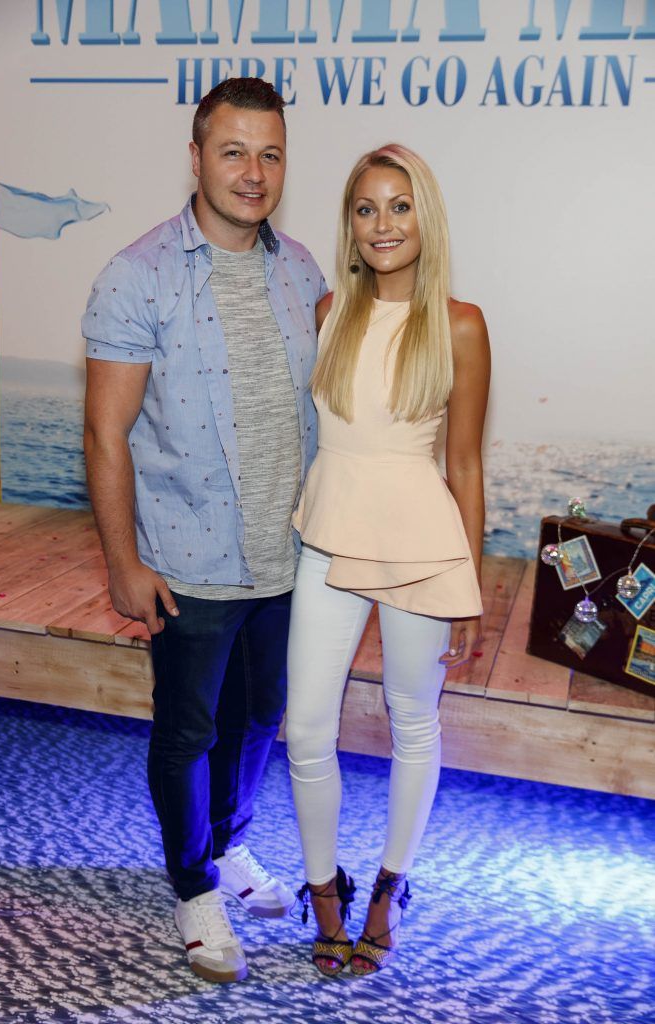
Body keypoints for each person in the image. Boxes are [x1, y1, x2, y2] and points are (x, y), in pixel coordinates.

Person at [82, 77, 327, 984]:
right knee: (186, 731)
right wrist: (121, 561)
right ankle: (192, 885)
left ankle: (227, 848)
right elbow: (105, 432)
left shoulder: (301, 270)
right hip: (186, 560)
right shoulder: (136, 274)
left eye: (270, 153)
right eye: (233, 151)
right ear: (195, 157)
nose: (252, 172)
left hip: (288, 558)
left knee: (261, 715)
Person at [286, 144, 490, 976]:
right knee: (303, 725)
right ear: (350, 224)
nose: (382, 224)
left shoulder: (462, 323)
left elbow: (466, 465)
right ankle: (322, 890)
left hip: (420, 547)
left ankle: (387, 888)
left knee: (414, 723)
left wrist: (470, 590)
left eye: (398, 206)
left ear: (424, 216)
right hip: (329, 533)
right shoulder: (329, 309)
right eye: (366, 209)